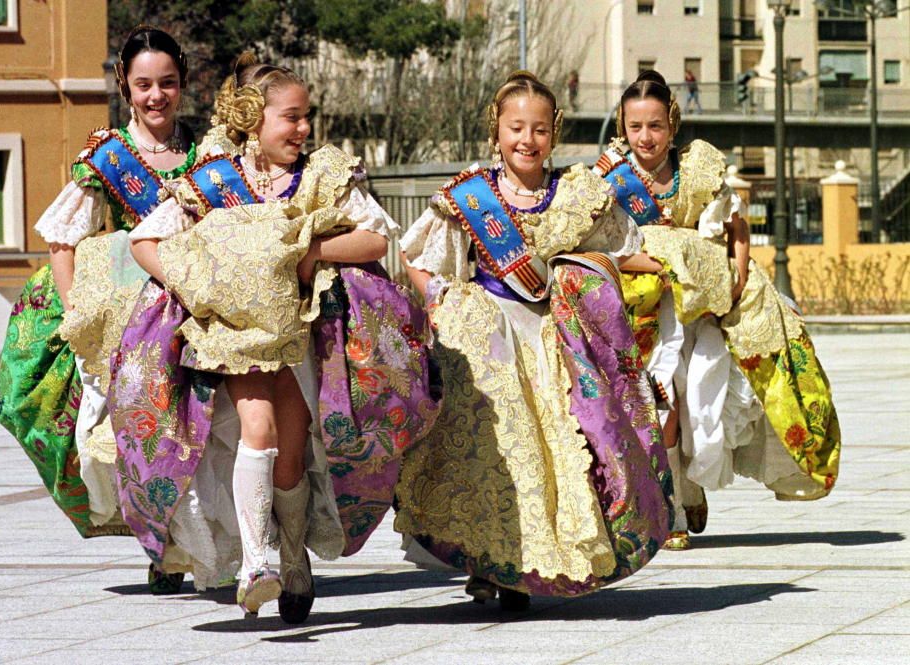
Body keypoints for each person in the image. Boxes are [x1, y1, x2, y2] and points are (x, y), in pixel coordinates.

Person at [108, 53, 439, 622]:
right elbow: (146, 241)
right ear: (253, 120)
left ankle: (293, 556)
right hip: (236, 338)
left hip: (307, 341)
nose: (304, 128)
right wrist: (202, 281)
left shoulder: (321, 175)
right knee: (254, 431)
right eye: (292, 117)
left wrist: (306, 254)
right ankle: (257, 559)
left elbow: (373, 240)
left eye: (307, 116)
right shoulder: (212, 180)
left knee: (293, 449)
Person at [394, 70, 673, 611]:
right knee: (493, 458)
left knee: (549, 459)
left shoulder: (575, 195)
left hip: (551, 341)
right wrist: (445, 302)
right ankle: (486, 561)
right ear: (496, 130)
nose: (528, 140)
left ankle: (524, 565)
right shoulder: (470, 196)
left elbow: (617, 251)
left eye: (539, 129)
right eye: (516, 127)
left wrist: (669, 265)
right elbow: (419, 262)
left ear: (555, 132)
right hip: (489, 343)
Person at [595, 70, 841, 550]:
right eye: (635, 126)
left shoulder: (698, 168)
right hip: (644, 308)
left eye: (655, 125)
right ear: (622, 128)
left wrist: (737, 276)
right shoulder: (607, 179)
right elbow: (603, 246)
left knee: (705, 395)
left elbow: (737, 226)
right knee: (662, 396)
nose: (645, 137)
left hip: (705, 305)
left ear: (673, 124)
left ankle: (694, 486)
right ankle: (672, 507)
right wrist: (667, 263)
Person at [0, 26, 197, 594]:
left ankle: (202, 539)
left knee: (197, 427)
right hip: (127, 314)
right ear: (124, 87)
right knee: (142, 428)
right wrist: (78, 314)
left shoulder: (208, 156)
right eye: (144, 85)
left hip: (194, 306)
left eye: (168, 83)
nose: (156, 96)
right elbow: (63, 239)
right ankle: (164, 544)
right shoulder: (109, 158)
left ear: (182, 82)